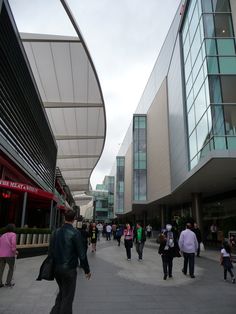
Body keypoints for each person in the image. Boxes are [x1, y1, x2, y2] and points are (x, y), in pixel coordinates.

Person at [49, 210, 91, 314]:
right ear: (74, 219)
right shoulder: (75, 233)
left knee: (63, 292)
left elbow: (50, 251)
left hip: (57, 269)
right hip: (69, 270)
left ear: (64, 218)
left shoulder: (56, 231)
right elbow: (82, 254)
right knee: (68, 297)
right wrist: (87, 270)